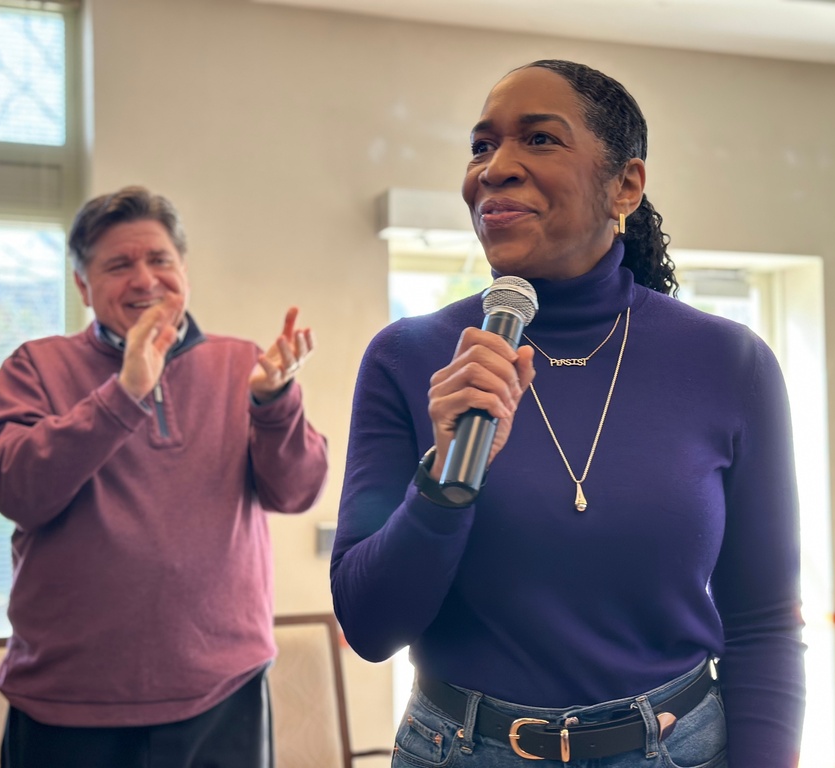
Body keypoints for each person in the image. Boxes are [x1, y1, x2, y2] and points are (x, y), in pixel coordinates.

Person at [331, 60, 804, 767]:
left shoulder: (730, 363)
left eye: (540, 139)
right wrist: (445, 481)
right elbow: (370, 629)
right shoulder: (409, 357)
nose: (494, 168)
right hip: (461, 750)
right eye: (481, 146)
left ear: (625, 186)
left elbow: (763, 623)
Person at [0, 186, 328, 768]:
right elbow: (15, 490)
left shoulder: (243, 364)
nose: (145, 280)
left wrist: (275, 404)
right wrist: (125, 393)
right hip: (68, 706)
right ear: (83, 286)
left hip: (225, 695)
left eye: (160, 260)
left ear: (182, 270)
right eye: (119, 265)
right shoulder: (35, 366)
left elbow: (297, 491)